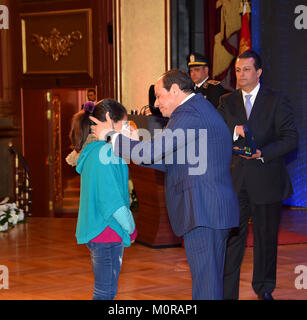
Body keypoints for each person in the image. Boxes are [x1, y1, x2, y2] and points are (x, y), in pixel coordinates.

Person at [90, 69, 239, 300]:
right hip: (209, 211)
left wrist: (111, 136)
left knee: (206, 289)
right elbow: (168, 160)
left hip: (204, 212)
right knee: (207, 283)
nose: (156, 104)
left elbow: (151, 153)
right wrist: (132, 145)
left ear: (176, 90)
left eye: (159, 96)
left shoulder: (189, 113)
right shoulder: (196, 110)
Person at [218, 50, 298, 300]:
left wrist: (262, 152)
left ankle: (263, 288)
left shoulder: (276, 100)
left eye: (246, 70)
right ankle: (226, 293)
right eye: (238, 70)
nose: (241, 74)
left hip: (267, 180)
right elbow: (218, 132)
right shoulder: (226, 101)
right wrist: (234, 131)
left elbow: (291, 138)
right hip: (236, 182)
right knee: (232, 240)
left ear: (259, 72)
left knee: (265, 239)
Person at [67, 99, 137, 300]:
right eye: (124, 124)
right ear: (109, 120)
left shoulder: (95, 151)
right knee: (105, 293)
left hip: (101, 230)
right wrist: (130, 228)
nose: (127, 128)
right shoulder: (104, 153)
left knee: (105, 290)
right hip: (107, 230)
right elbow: (112, 201)